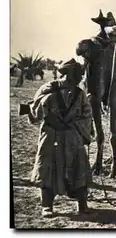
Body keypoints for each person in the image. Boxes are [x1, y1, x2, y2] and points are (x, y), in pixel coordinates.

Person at [25, 58, 93, 217]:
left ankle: (82, 205)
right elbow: (34, 113)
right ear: (69, 74)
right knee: (48, 168)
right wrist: (50, 118)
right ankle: (47, 206)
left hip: (72, 136)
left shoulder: (80, 93)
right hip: (51, 135)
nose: (81, 77)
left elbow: (87, 114)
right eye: (78, 74)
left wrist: (76, 125)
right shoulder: (46, 89)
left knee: (79, 168)